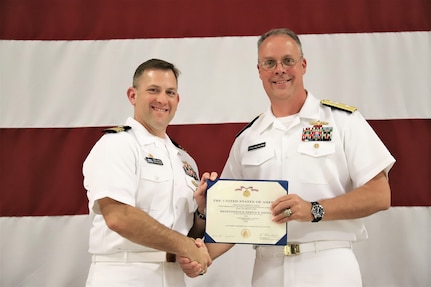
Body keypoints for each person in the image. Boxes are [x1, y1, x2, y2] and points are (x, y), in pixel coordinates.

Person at [180, 28, 396, 287]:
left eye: (288, 61)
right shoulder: (247, 139)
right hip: (267, 270)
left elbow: (380, 195)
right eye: (269, 63)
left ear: (303, 65)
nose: (279, 69)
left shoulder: (342, 121)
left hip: (328, 266)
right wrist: (201, 256)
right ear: (259, 71)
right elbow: (234, 220)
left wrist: (313, 209)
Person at [82, 58, 214, 287]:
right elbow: (119, 217)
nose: (162, 99)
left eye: (170, 92)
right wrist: (186, 247)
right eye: (153, 90)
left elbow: (187, 232)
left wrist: (201, 211)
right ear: (133, 95)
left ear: (177, 99)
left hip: (173, 276)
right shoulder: (117, 144)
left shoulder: (185, 160)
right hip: (125, 274)